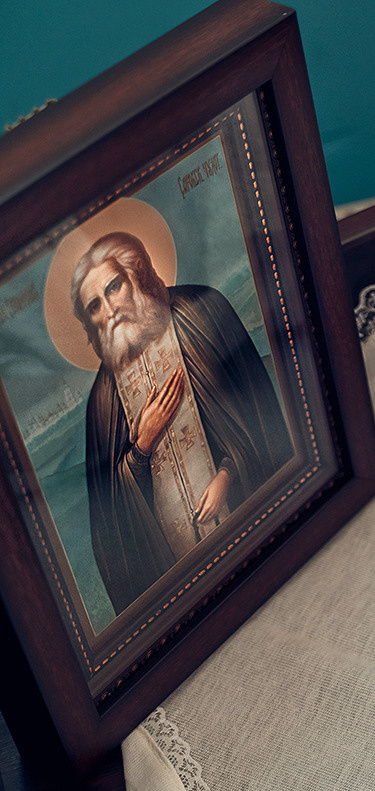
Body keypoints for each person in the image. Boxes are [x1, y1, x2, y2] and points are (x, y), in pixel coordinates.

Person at [73, 231, 292, 613]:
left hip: (259, 544)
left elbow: (258, 411)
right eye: (94, 305)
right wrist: (141, 445)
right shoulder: (102, 403)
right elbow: (112, 530)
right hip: (183, 585)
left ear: (137, 276)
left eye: (113, 288)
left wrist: (229, 472)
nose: (108, 311)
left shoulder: (202, 312)